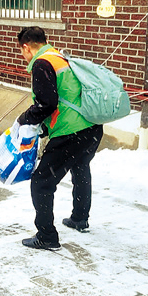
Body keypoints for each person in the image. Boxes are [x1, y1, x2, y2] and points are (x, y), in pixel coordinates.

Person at [16, 26, 103, 250]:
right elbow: (63, 97)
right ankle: (79, 218)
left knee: (41, 182)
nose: (23, 57)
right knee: (81, 167)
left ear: (26, 46)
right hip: (91, 127)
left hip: (70, 132)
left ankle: (47, 237)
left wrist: (24, 119)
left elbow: (47, 103)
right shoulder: (60, 57)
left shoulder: (42, 63)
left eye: (21, 51)